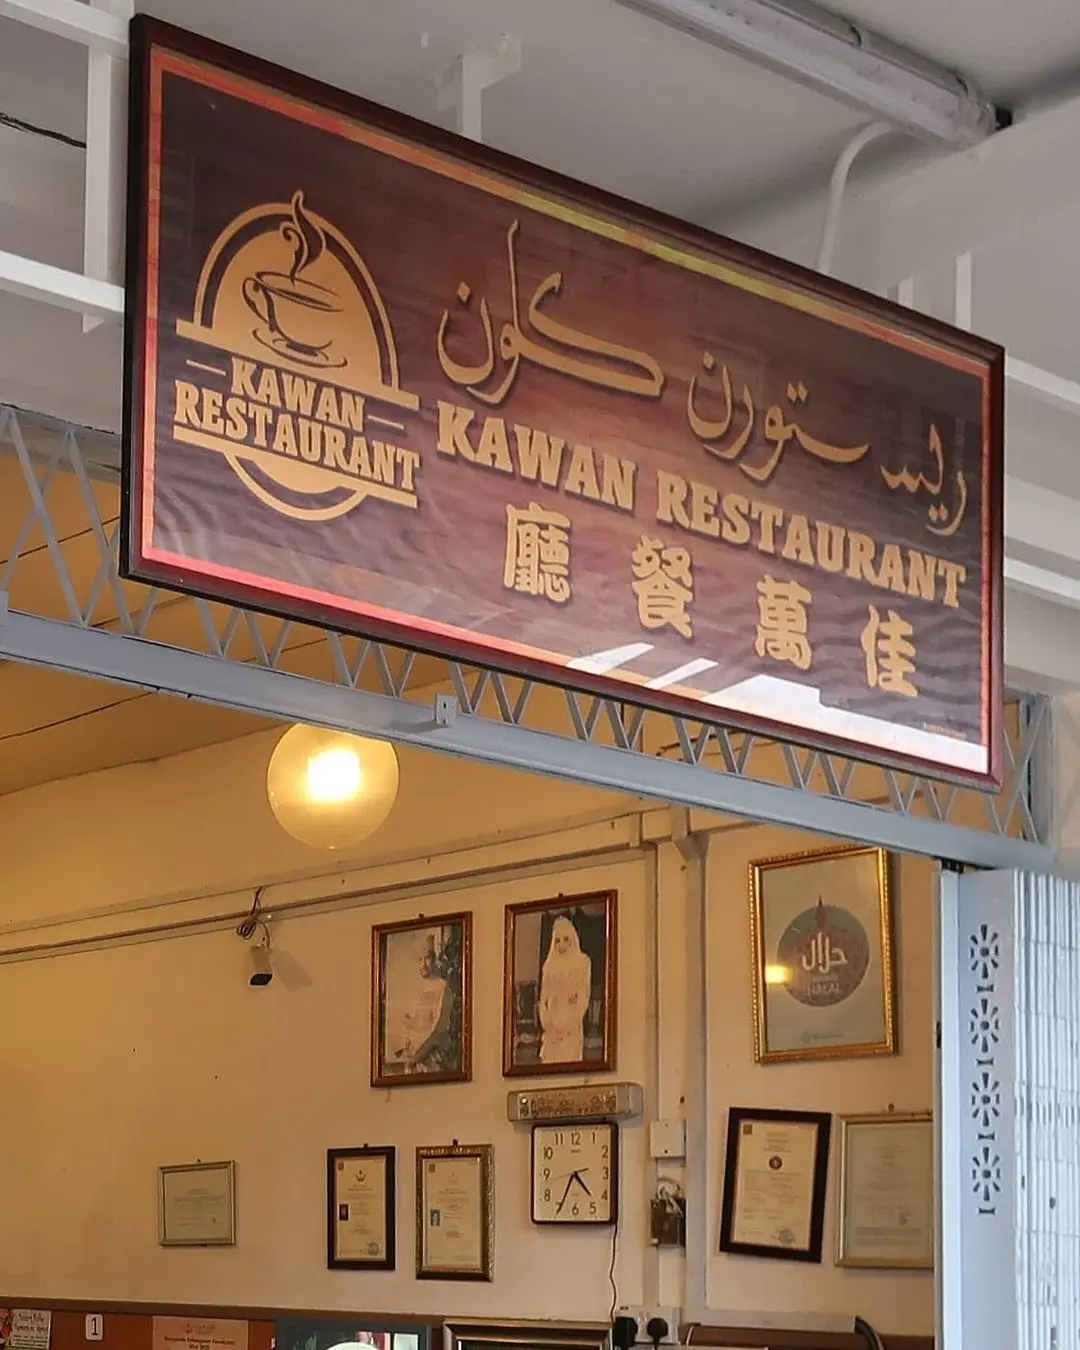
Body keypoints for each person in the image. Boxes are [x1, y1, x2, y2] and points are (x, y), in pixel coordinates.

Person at [387, 934, 452, 1073]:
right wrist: (404, 1051)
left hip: (432, 1062)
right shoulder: (414, 990)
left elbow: (438, 1030)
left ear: (435, 959)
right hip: (411, 1063)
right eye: (419, 959)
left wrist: (416, 1058)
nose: (423, 964)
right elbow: (405, 1024)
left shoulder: (442, 988)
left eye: (427, 958)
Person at [538, 915, 593, 1063]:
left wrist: (568, 1026)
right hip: (551, 1030)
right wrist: (548, 1026)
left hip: (570, 1029)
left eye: (565, 939)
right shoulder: (548, 966)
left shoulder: (583, 962)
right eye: (557, 940)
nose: (561, 944)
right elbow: (543, 1000)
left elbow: (583, 998)